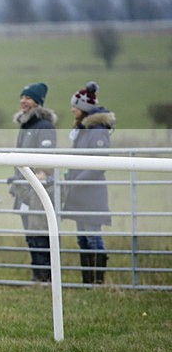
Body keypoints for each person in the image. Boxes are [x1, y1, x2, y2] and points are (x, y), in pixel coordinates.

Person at [62, 81, 116, 284]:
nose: (72, 109)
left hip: (90, 194)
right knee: (83, 238)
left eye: (75, 105)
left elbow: (98, 164)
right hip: (81, 194)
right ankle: (89, 281)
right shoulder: (84, 130)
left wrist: (75, 181)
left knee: (92, 237)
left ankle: (97, 281)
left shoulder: (96, 131)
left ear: (84, 107)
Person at [9, 82, 58, 282]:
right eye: (22, 97)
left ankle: (45, 275)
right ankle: (38, 273)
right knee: (30, 232)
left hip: (38, 189)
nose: (23, 101)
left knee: (39, 231)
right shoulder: (25, 125)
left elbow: (46, 157)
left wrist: (42, 175)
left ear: (38, 102)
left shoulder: (44, 126)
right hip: (24, 188)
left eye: (28, 98)